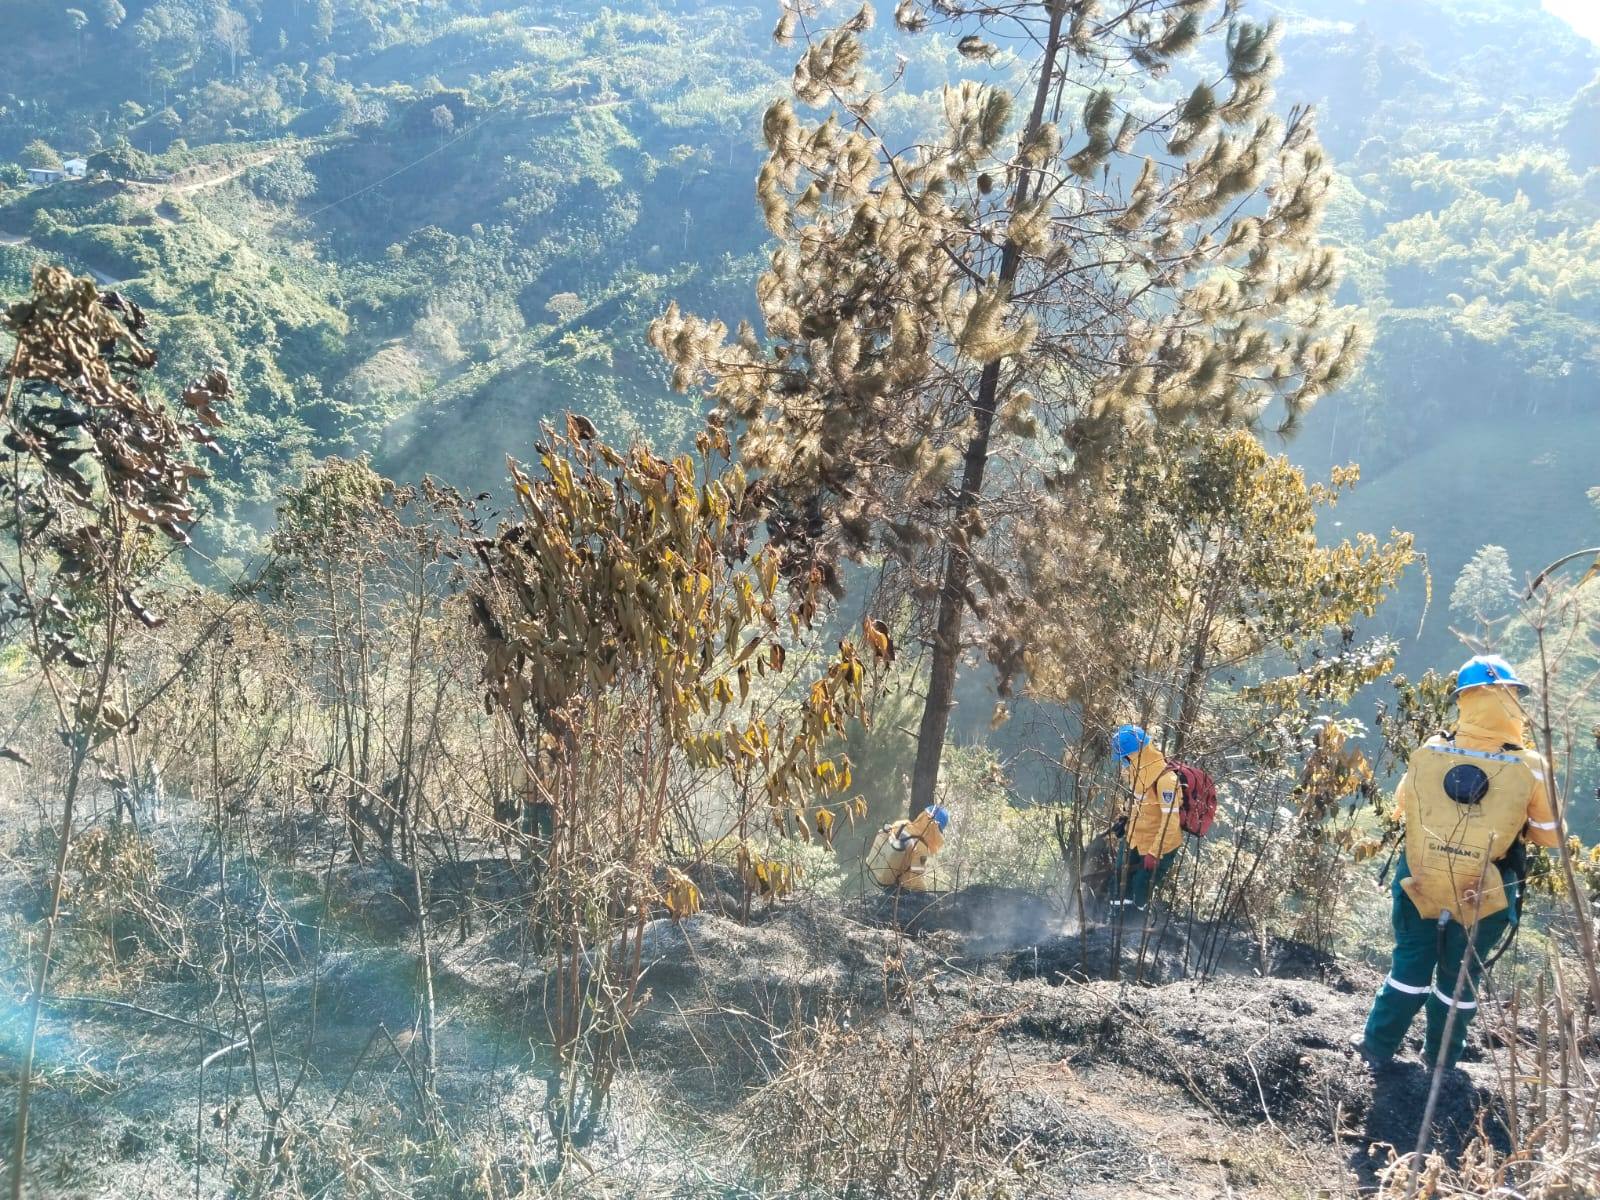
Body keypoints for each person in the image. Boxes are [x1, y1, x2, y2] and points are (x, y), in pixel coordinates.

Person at [1357, 655, 1561, 1069]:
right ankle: (1440, 1062)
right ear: (1514, 702)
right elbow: (1549, 834)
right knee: (1458, 978)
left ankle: (1377, 1048)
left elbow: (1403, 808)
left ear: (1464, 701)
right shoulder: (1531, 766)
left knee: (1410, 963)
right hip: (1486, 886)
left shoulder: (1432, 749)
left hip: (1420, 875)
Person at [1108, 724, 1184, 911]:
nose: (1123, 762)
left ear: (1135, 754)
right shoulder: (1136, 772)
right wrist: (1124, 819)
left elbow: (1170, 822)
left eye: (1125, 757)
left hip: (1158, 846)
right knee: (1118, 885)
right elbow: (1139, 803)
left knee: (1140, 892)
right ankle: (1114, 925)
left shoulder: (1167, 780)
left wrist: (1155, 852)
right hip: (1134, 840)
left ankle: (1134, 932)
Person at [866, 804, 950, 891]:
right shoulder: (922, 850)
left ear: (923, 815)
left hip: (881, 871)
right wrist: (925, 893)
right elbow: (914, 880)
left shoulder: (902, 824)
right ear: (936, 830)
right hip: (897, 890)